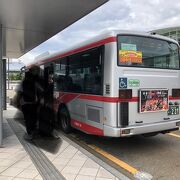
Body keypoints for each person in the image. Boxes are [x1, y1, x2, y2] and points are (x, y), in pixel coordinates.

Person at [20, 70, 38, 140]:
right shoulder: (34, 83)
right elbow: (37, 93)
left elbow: (20, 93)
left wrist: (19, 103)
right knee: (33, 118)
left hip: (25, 104)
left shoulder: (23, 83)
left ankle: (30, 133)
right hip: (33, 104)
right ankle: (33, 131)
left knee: (27, 119)